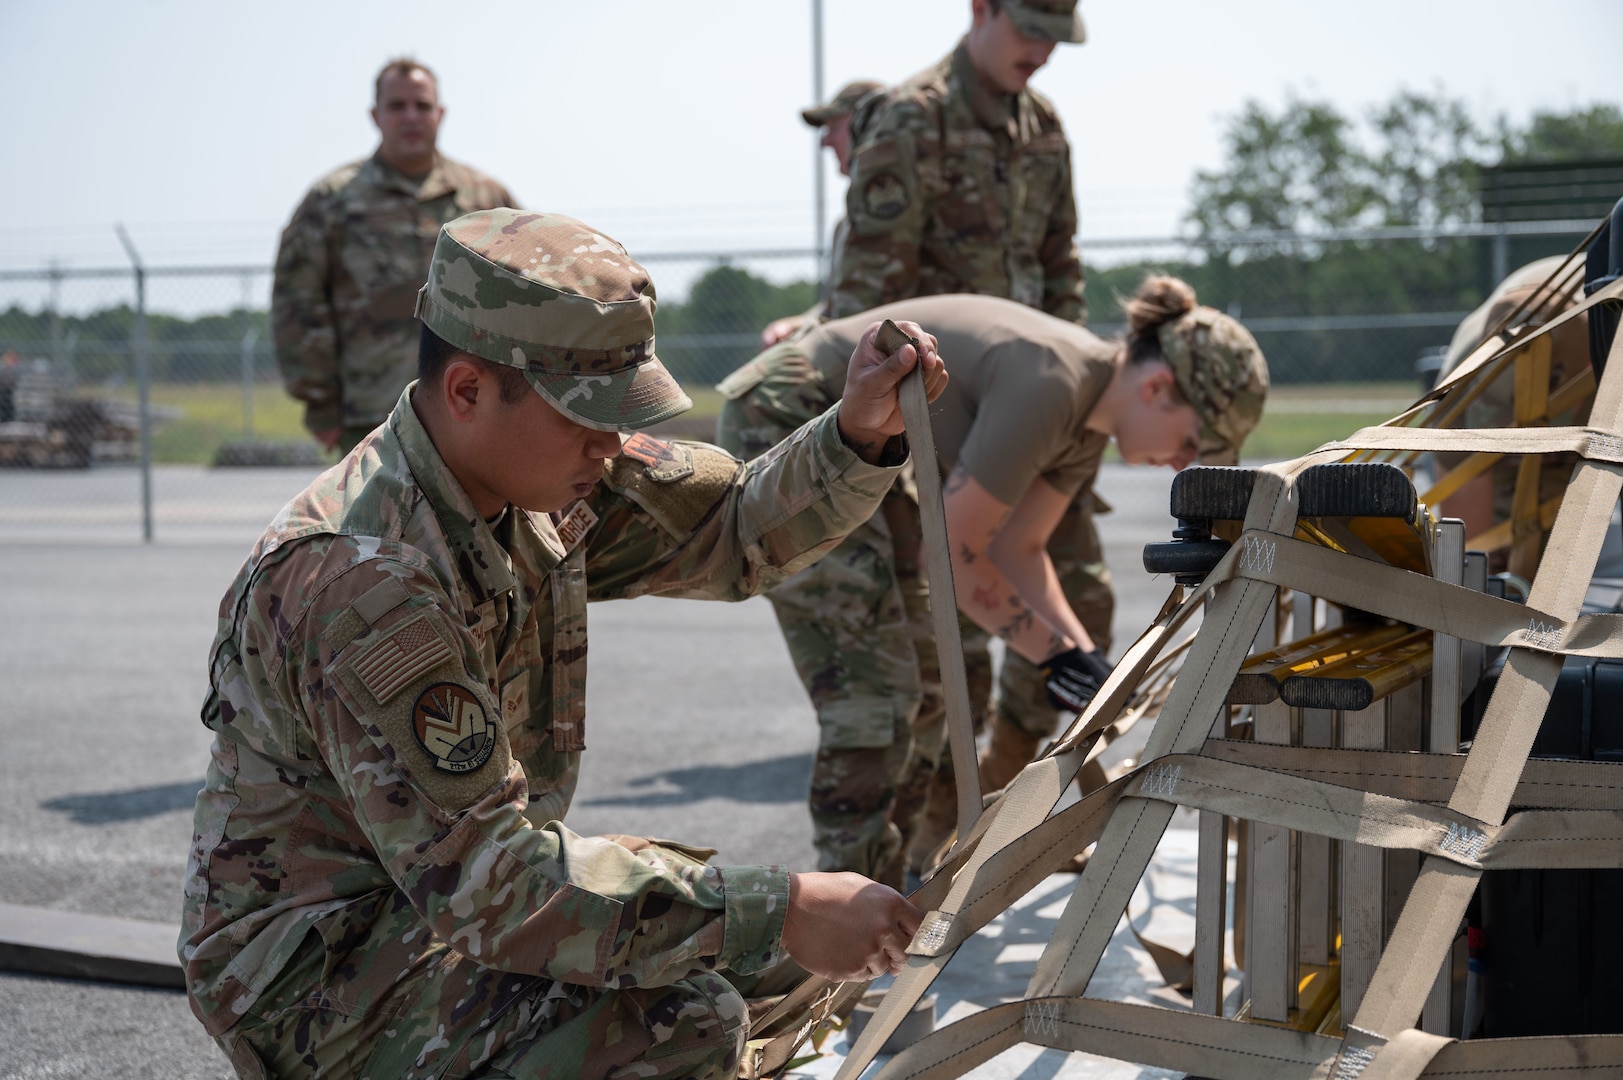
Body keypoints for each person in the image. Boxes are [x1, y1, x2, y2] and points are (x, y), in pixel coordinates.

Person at [182, 208, 946, 1079]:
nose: (613, 443)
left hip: (436, 900)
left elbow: (732, 525)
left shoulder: (530, 469)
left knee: (756, 957)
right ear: (467, 391)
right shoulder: (365, 583)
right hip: (318, 978)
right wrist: (783, 909)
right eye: (588, 416)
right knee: (681, 1019)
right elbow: (487, 885)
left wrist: (855, 429)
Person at [715, 278, 1268, 887]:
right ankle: (848, 916)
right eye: (1192, 441)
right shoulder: (1053, 383)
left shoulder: (1086, 421)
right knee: (875, 690)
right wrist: (1054, 654)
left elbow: (1019, 548)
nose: (1183, 462)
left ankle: (900, 882)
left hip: (869, 438)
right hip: (791, 409)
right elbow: (953, 554)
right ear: (1159, 388)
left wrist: (1082, 656)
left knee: (928, 680)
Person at [826, 0, 1097, 868]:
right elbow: (869, 299)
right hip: (929, 414)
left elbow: (1062, 271)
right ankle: (939, 844)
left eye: (1057, 38)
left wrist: (1070, 412)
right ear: (980, 10)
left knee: (1077, 598)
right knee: (942, 653)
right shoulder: (911, 118)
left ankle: (1011, 797)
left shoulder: (1041, 124)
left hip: (1030, 409)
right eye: (1030, 31)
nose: (1043, 54)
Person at [272, 57, 517, 454]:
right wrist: (320, 405)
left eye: (422, 106)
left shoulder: (486, 199)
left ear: (440, 114)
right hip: (371, 415)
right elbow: (297, 307)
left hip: (474, 408)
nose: (411, 116)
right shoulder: (332, 202)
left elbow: (523, 295)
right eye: (397, 105)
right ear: (375, 115)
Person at [760, 79, 884, 349]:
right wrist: (795, 325)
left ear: (868, 125)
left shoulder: (907, 213)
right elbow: (837, 307)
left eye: (835, 127)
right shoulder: (848, 224)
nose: (825, 142)